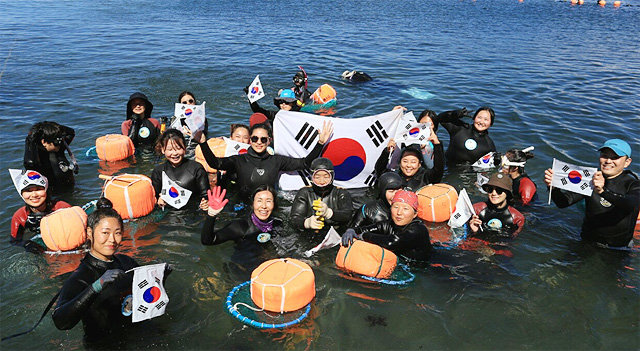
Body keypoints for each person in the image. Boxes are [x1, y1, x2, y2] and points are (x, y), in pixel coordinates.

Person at [52, 198, 172, 343]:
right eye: (105, 233)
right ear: (89, 233)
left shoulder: (126, 262)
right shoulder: (81, 277)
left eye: (117, 233)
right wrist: (96, 286)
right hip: (105, 344)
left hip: (140, 334)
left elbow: (147, 296)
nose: (112, 240)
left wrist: (160, 277)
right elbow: (61, 322)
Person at [197, 121, 333, 200]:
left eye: (263, 139)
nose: (259, 142)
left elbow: (304, 163)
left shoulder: (276, 161)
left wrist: (320, 143)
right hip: (242, 206)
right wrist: (203, 143)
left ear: (269, 141)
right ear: (250, 140)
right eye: (255, 139)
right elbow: (216, 163)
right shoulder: (239, 160)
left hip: (268, 207)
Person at [544, 139, 640, 247]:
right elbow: (563, 203)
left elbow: (631, 204)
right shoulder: (590, 178)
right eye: (604, 155)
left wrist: (602, 192)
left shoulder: (633, 184)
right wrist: (553, 187)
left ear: (627, 162)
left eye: (615, 157)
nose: (608, 161)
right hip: (587, 242)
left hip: (617, 248)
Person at [341, 190, 431, 262]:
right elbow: (362, 230)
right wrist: (351, 230)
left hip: (430, 267)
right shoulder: (388, 224)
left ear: (415, 214)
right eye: (396, 207)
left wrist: (365, 236)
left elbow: (392, 242)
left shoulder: (418, 229)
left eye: (405, 209)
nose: (399, 212)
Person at [201, 185, 282, 247]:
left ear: (274, 204)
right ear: (253, 204)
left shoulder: (277, 224)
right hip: (243, 265)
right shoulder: (240, 227)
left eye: (268, 201)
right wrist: (211, 215)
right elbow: (207, 241)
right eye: (259, 201)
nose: (264, 206)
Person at [9, 170, 71, 250]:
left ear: (46, 191)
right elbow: (15, 241)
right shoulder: (20, 216)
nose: (34, 195)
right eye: (28, 191)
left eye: (38, 189)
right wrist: (26, 244)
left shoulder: (62, 208)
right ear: (22, 194)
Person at [290, 158, 353, 234]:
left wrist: (329, 213)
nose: (322, 181)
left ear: (332, 177)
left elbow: (348, 215)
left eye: (326, 177)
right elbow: (294, 218)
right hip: (310, 234)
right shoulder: (305, 193)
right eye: (317, 177)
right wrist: (306, 223)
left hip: (336, 232)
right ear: (312, 177)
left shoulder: (341, 193)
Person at [151, 129, 209, 210]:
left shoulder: (196, 168)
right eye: (170, 150)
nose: (175, 153)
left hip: (192, 213)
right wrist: (158, 201)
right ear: (163, 150)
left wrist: (205, 203)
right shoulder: (158, 172)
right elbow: (154, 197)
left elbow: (206, 195)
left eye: (178, 148)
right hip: (169, 213)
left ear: (185, 148)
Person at [375, 136, 444, 191]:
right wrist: (387, 152)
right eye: (405, 161)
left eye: (413, 162)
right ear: (399, 162)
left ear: (419, 164)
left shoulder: (426, 177)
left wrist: (437, 145)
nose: (408, 165)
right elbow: (379, 170)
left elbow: (439, 169)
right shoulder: (394, 176)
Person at [468, 173, 525, 239]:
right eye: (490, 190)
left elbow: (512, 241)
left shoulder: (517, 218)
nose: (494, 193)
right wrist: (474, 231)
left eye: (499, 190)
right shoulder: (476, 209)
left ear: (507, 193)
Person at [23, 121, 77, 190]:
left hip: (71, 188)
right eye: (57, 142)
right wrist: (30, 139)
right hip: (55, 194)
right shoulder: (36, 160)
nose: (60, 144)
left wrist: (50, 128)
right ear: (44, 142)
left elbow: (71, 132)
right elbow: (29, 163)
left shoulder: (59, 149)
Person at [169, 91, 209, 158]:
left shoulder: (202, 119)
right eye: (184, 102)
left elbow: (204, 137)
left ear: (195, 102)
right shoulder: (175, 120)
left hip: (196, 149)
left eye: (191, 101)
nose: (188, 104)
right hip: (181, 150)